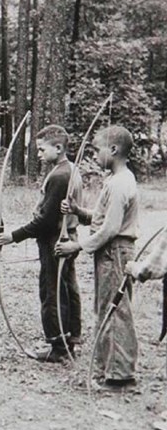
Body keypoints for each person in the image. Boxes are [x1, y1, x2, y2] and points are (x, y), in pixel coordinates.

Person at [56, 125, 139, 391]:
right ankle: (110, 370)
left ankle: (120, 376)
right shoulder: (117, 181)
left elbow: (111, 229)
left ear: (113, 150)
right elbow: (104, 218)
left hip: (115, 253)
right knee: (106, 308)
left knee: (115, 310)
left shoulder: (119, 184)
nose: (94, 154)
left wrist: (76, 246)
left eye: (97, 149)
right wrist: (79, 211)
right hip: (110, 252)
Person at [0, 125, 83, 363]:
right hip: (66, 238)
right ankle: (69, 341)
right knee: (65, 288)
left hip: (55, 240)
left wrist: (12, 236)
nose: (39, 154)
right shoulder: (68, 170)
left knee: (52, 291)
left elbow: (45, 221)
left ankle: (58, 346)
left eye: (42, 150)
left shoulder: (60, 176)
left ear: (58, 147)